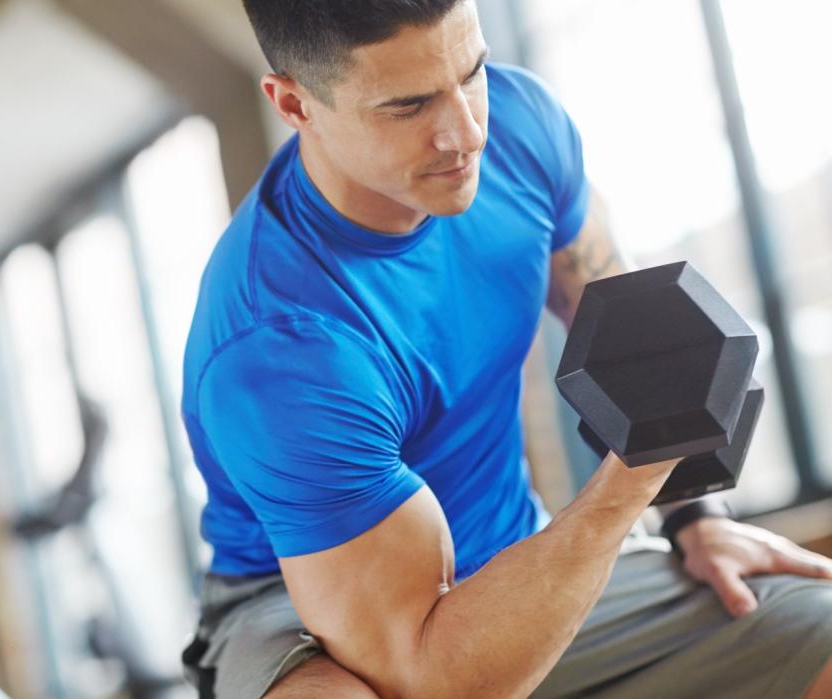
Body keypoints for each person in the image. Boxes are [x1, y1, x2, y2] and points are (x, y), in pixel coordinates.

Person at [178, 1, 832, 697]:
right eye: (408, 106)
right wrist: (632, 484)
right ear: (294, 103)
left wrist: (697, 515)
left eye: (472, 71)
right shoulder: (279, 345)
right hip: (307, 609)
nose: (465, 132)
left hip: (512, 550)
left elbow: (643, 342)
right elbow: (431, 680)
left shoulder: (521, 127)